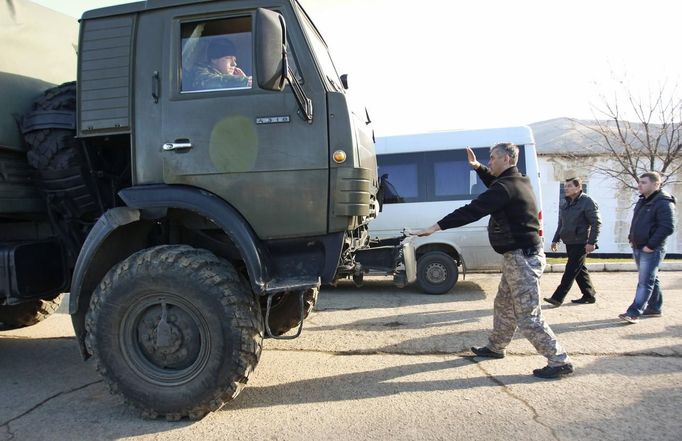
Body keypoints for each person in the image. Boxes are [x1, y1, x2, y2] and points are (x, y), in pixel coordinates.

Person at [415, 143, 573, 379]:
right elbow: (495, 185)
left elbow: (473, 209)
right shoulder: (518, 181)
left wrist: (435, 227)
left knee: (528, 316)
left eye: (492, 158)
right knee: (503, 305)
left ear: (507, 158)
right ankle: (496, 348)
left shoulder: (507, 187)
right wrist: (477, 167)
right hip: (516, 257)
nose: (490, 162)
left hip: (523, 258)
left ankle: (559, 360)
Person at [619, 171, 676, 324]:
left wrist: (651, 245)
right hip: (638, 246)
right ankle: (655, 308)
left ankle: (634, 312)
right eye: (639, 182)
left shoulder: (663, 202)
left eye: (644, 182)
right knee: (651, 278)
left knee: (645, 281)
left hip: (651, 249)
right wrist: (631, 238)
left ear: (656, 184)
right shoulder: (642, 200)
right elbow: (637, 222)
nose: (640, 185)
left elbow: (667, 227)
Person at [544, 177, 601, 306]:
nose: (566, 188)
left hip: (581, 242)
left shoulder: (587, 202)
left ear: (578, 187)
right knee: (579, 269)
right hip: (569, 241)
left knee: (570, 270)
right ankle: (589, 295)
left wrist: (591, 242)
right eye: (565, 186)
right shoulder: (566, 203)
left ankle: (557, 298)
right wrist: (555, 240)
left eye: (569, 186)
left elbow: (596, 223)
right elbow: (561, 224)